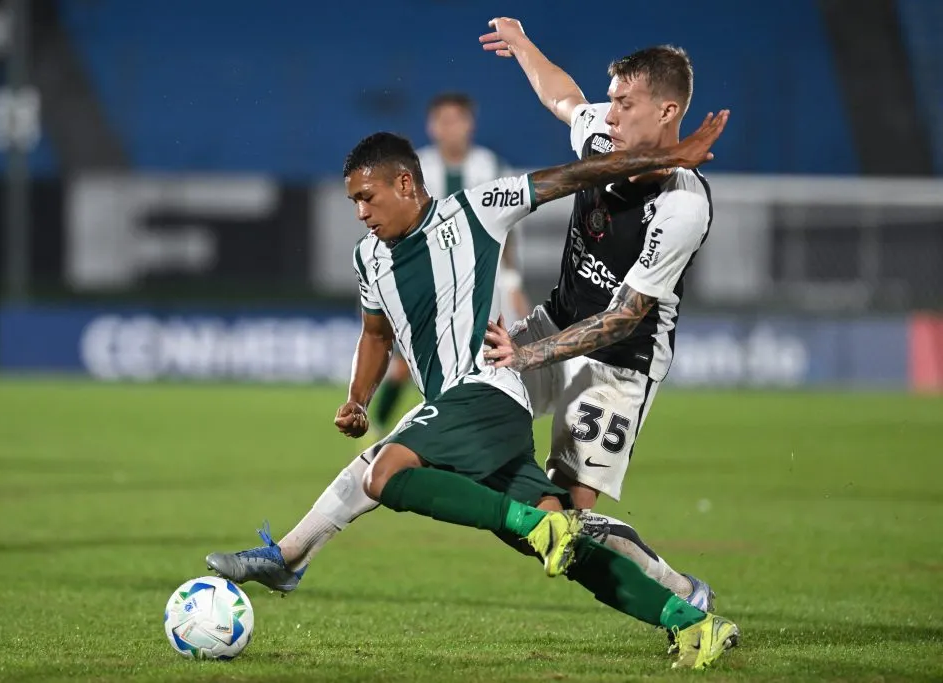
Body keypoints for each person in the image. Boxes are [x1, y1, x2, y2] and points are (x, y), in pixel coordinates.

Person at [207, 115, 738, 669]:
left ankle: (289, 557)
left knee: (382, 473)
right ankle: (693, 623)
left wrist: (671, 158)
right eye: (353, 203)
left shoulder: (476, 209)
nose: (361, 213)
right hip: (457, 414)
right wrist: (359, 399)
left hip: (489, 391)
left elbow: (582, 174)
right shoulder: (369, 256)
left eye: (368, 197)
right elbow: (375, 333)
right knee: (567, 543)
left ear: (405, 184)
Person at [475, 19, 722, 615]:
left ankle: (681, 592)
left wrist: (526, 354)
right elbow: (562, 97)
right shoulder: (601, 143)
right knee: (468, 431)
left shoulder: (683, 204)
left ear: (667, 111)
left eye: (623, 103)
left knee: (570, 524)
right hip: (554, 323)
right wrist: (526, 45)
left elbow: (623, 318)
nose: (607, 114)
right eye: (610, 100)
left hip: (620, 364)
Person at [368, 92, 531, 439]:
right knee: (403, 364)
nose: (450, 128)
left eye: (456, 120)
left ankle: (482, 438)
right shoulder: (413, 169)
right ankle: (378, 430)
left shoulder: (492, 167)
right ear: (431, 126)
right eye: (442, 121)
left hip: (482, 283)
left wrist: (513, 283)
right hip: (427, 281)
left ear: (469, 124)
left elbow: (509, 231)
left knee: (487, 361)